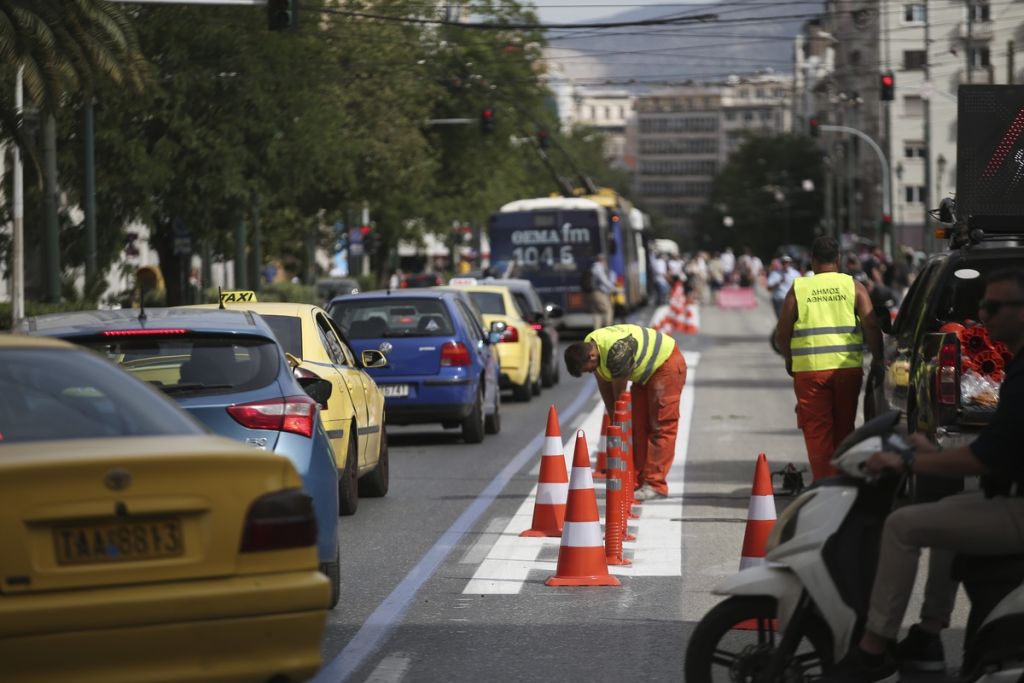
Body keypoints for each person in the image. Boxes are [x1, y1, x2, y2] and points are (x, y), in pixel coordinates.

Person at [824, 267, 1024, 682]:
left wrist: (912, 461)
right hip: (1010, 496)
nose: (982, 316)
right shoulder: (1019, 365)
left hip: (1018, 508)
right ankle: (929, 633)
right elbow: (1001, 446)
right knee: (948, 514)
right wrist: (932, 452)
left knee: (901, 525)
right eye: (982, 304)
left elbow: (984, 458)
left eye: (993, 306)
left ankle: (873, 647)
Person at [775, 236, 884, 481]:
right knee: (844, 428)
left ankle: (824, 485)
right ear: (838, 260)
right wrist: (878, 359)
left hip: (810, 372)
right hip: (847, 370)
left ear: (812, 261)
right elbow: (871, 325)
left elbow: (783, 333)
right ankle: (844, 482)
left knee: (817, 431)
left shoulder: (799, 288)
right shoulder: (853, 286)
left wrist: (789, 359)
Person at [563, 324, 687, 500]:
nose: (590, 371)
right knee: (637, 427)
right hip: (644, 374)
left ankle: (655, 485)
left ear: (591, 355)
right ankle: (637, 479)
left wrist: (618, 418)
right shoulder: (590, 345)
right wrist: (615, 418)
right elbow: (604, 383)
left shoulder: (617, 351)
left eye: (588, 368)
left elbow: (619, 397)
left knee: (660, 426)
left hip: (665, 364)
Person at [587, 253, 616, 330]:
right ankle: (608, 330)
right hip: (599, 293)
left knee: (597, 312)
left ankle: (596, 332)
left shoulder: (593, 267)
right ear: (602, 260)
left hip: (593, 293)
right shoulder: (598, 267)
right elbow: (603, 280)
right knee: (608, 311)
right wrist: (613, 288)